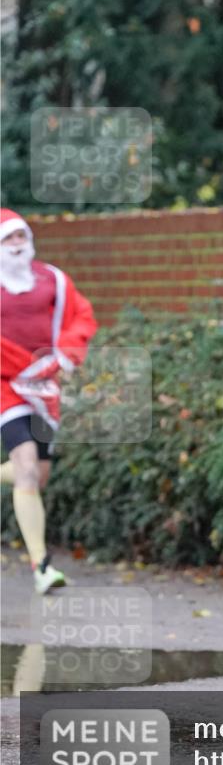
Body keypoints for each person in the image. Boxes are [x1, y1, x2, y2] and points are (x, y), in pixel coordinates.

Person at [0, 209, 98, 594]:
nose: (18, 244)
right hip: (5, 384)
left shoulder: (53, 279)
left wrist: (66, 354)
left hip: (44, 386)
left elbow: (81, 316)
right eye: (8, 239)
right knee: (25, 468)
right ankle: (42, 567)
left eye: (21, 236)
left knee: (36, 477)